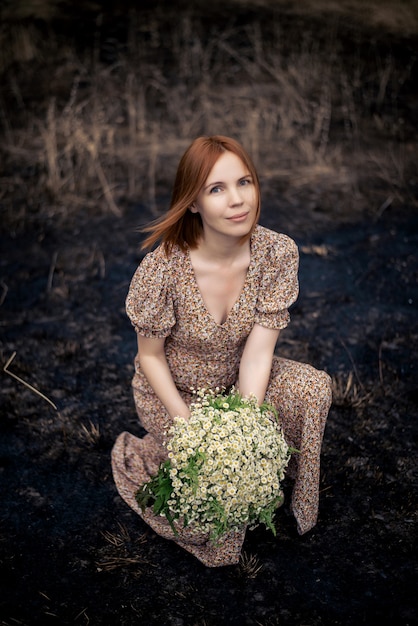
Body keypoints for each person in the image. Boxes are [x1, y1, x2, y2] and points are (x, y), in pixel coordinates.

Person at [111, 135, 332, 567]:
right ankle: (162, 457)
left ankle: (294, 502)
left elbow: (258, 352)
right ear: (192, 202)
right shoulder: (163, 269)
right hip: (174, 395)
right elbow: (150, 358)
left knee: (313, 389)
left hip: (237, 383)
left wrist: (242, 429)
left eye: (244, 182)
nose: (238, 201)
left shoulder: (276, 253)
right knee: (216, 512)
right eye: (217, 189)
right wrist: (192, 426)